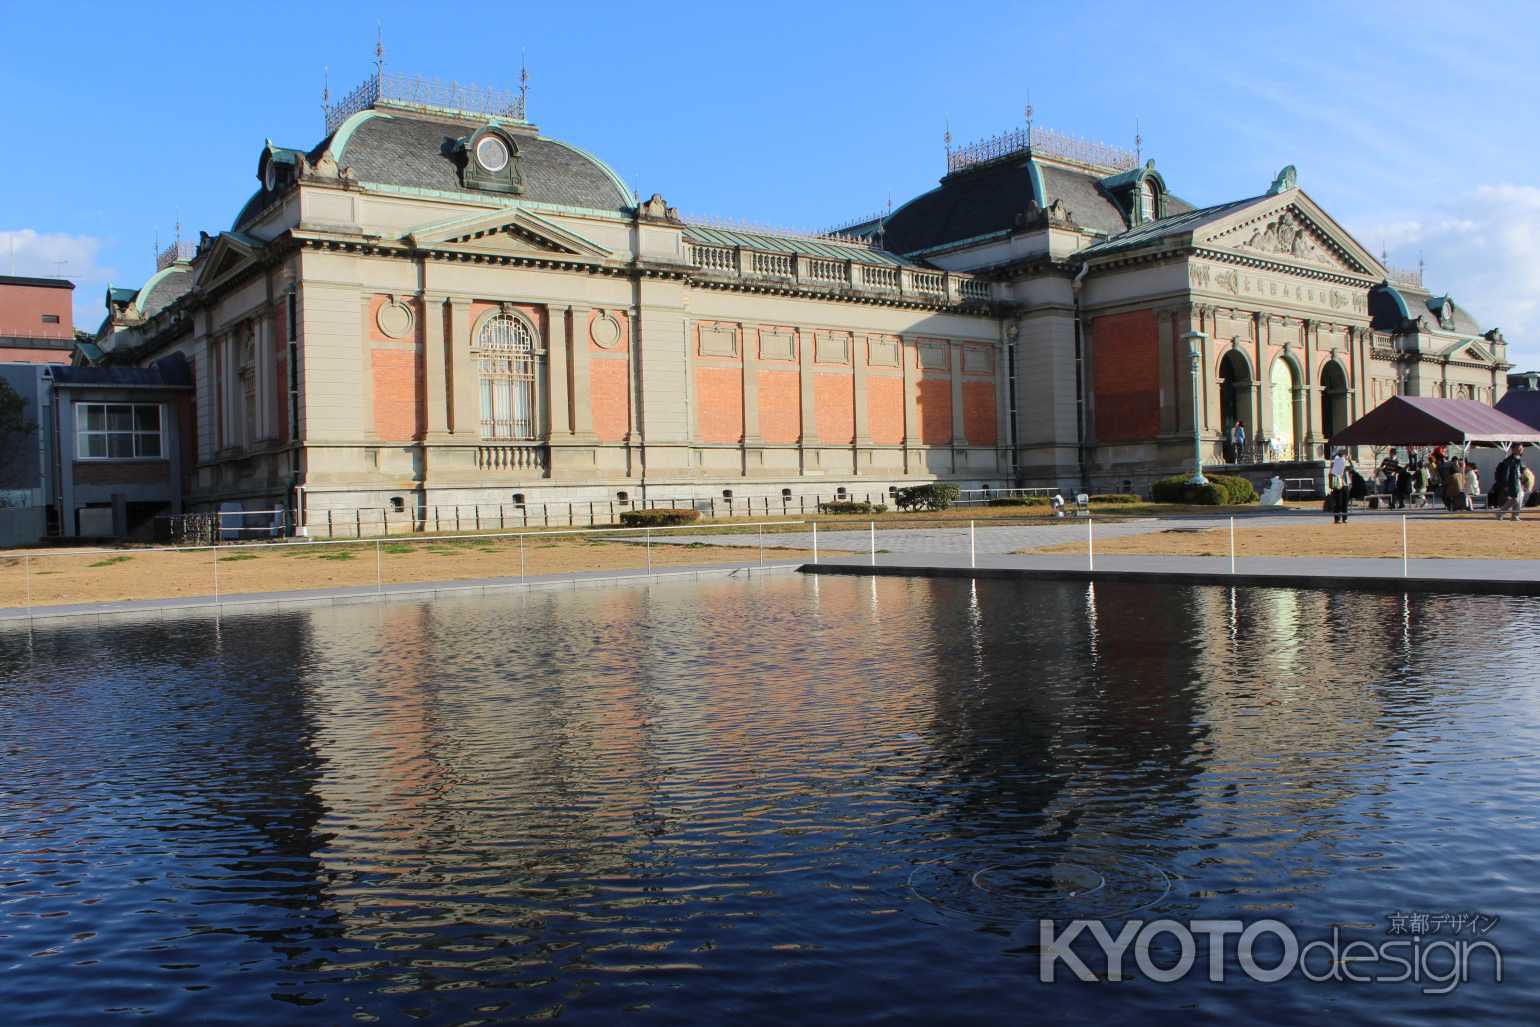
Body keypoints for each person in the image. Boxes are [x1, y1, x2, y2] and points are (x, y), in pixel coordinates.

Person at [1493, 443, 1527, 521]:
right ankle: (1501, 512)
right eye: (1520, 449)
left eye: (1522, 448)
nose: (1522, 450)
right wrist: (1505, 485)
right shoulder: (1509, 461)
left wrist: (1523, 481)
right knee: (1515, 499)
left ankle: (1515, 516)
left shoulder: (1518, 459)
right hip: (1513, 482)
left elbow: (1521, 472)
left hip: (1518, 481)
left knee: (1519, 498)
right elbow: (1506, 473)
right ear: (1513, 449)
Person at [1329, 450, 1351, 523]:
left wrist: (1349, 461)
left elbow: (1351, 469)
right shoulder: (1335, 462)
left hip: (1345, 484)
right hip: (1337, 483)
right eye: (1344, 455)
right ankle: (1337, 518)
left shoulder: (1346, 463)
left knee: (1344, 502)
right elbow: (1331, 473)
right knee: (1338, 502)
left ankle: (1345, 518)